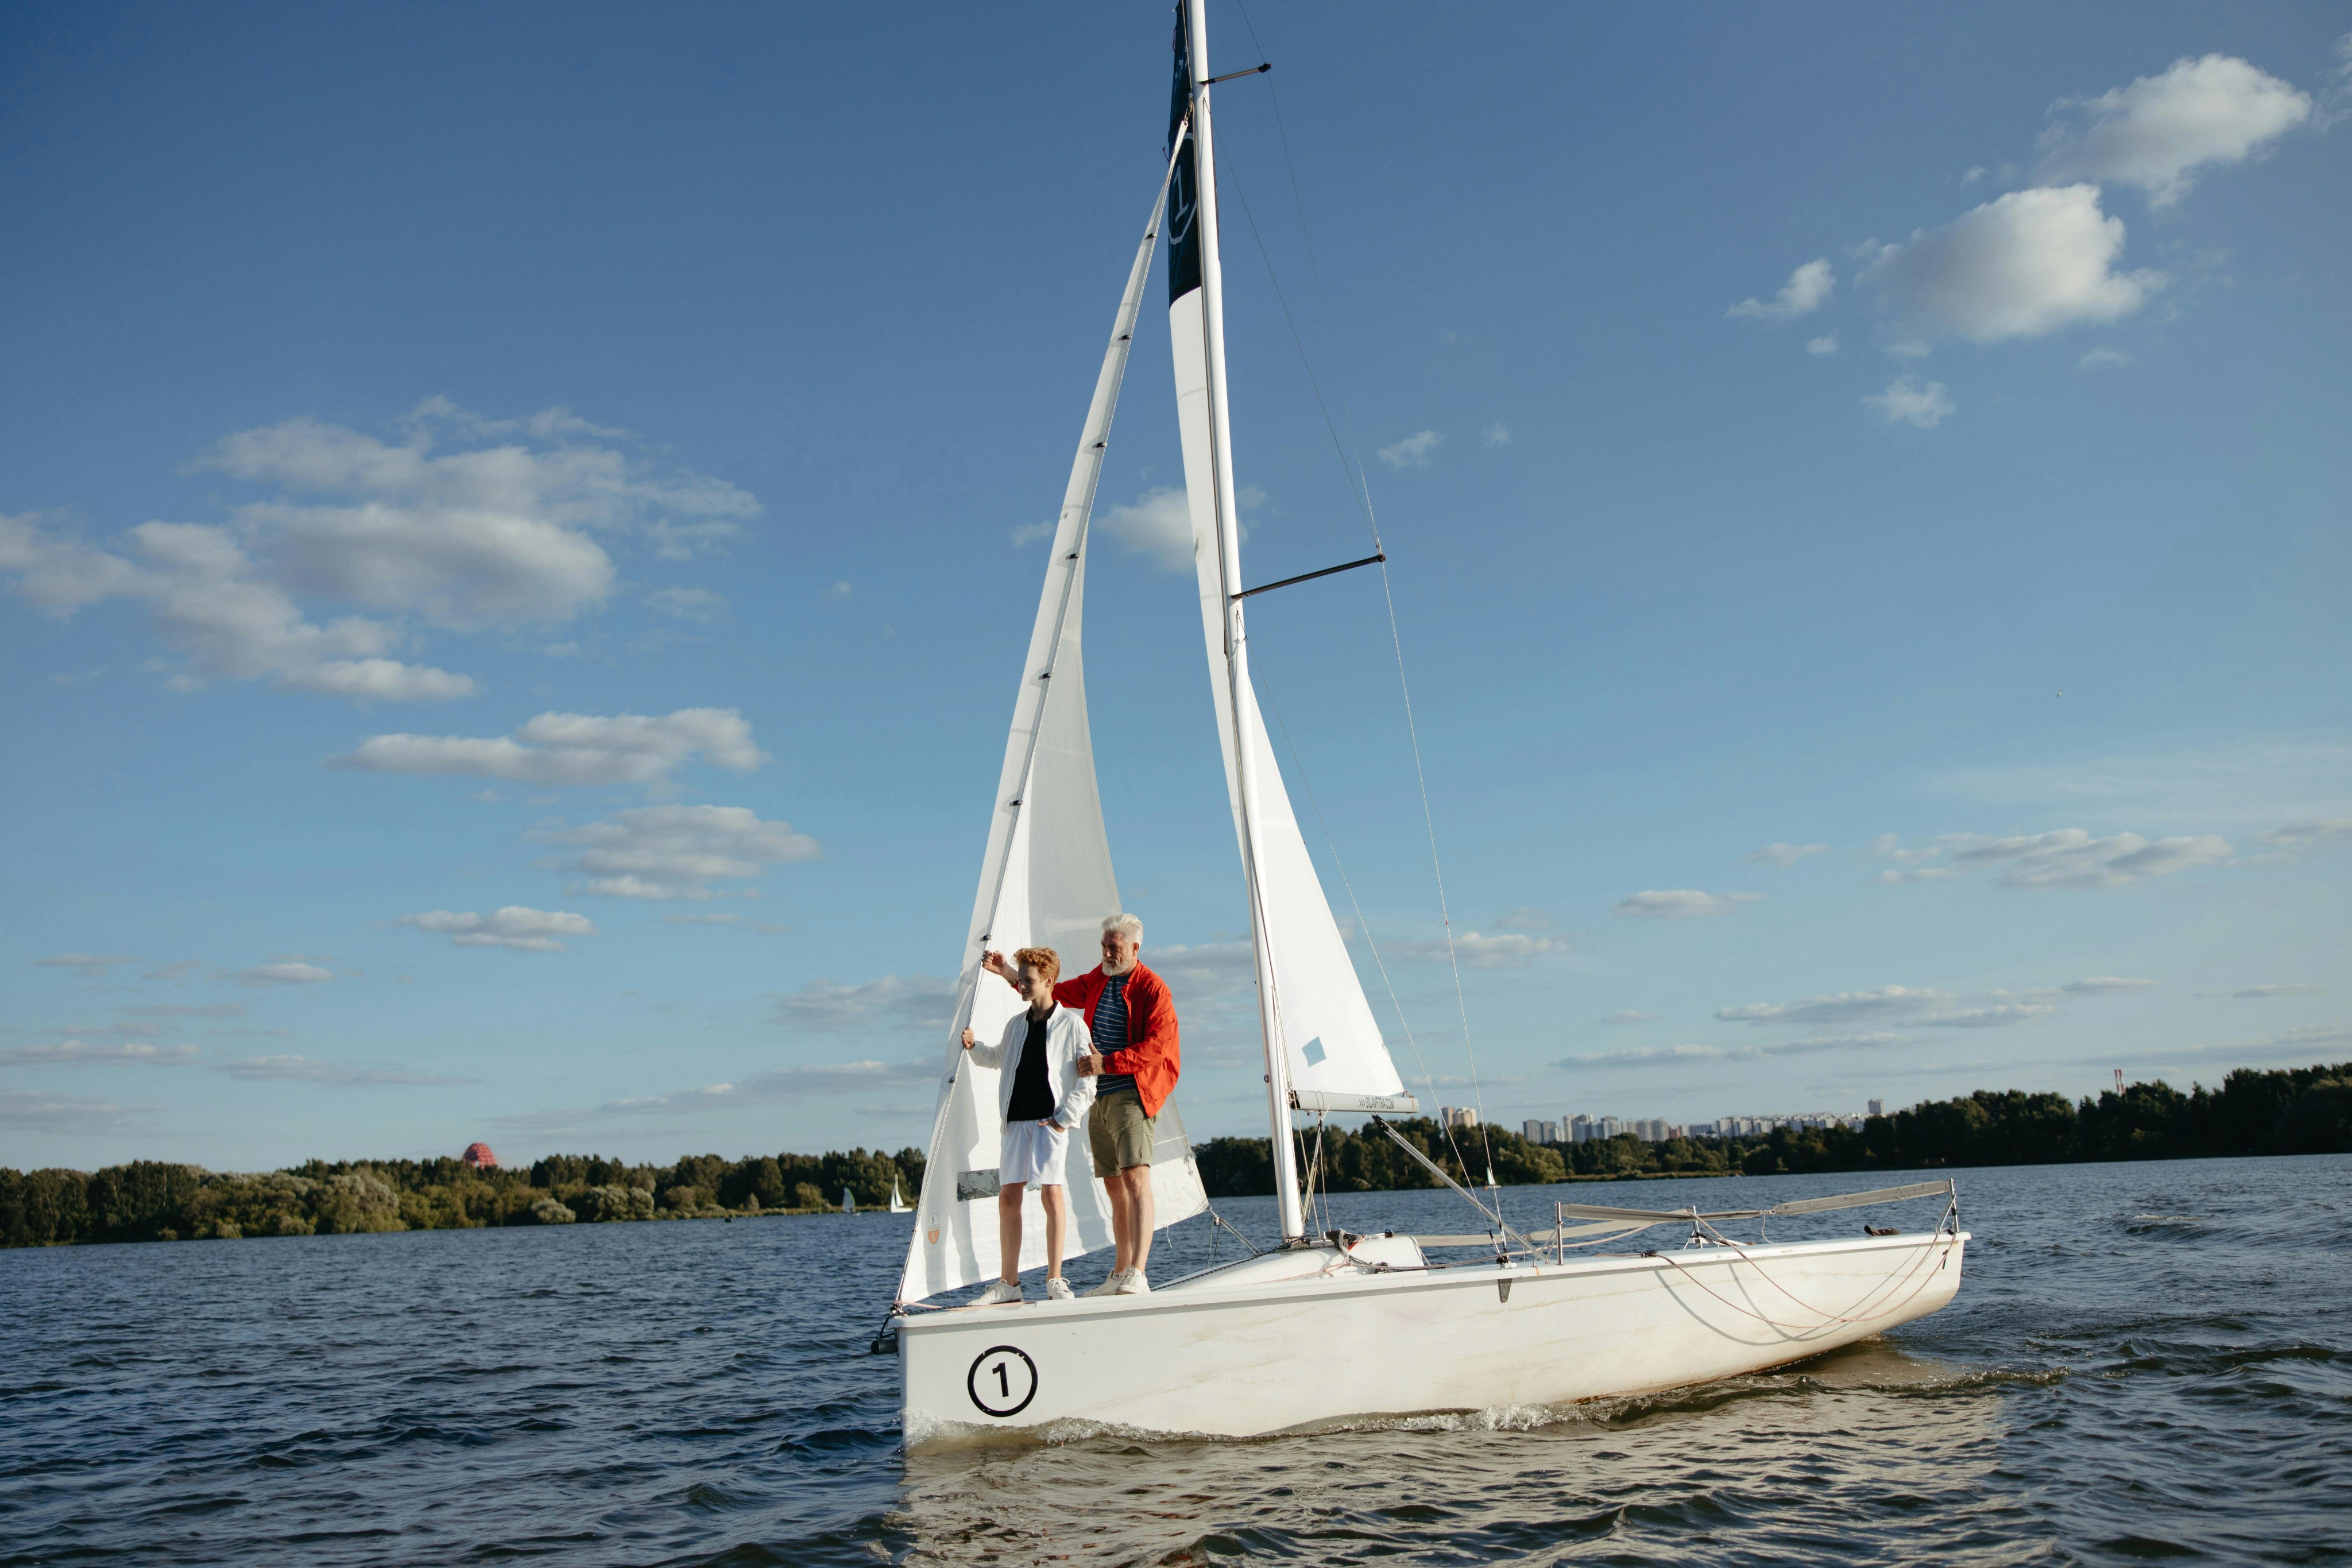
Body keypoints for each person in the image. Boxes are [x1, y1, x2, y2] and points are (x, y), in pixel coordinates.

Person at [984, 912, 1177, 1295]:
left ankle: (1138, 1271)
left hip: (1133, 1093)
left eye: (1115, 947)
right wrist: (1008, 971)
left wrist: (1110, 1062)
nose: (1107, 952)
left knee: (1136, 1178)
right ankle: (1121, 1271)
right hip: (1099, 1096)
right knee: (1113, 1184)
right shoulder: (1098, 979)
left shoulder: (1153, 989)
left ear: (1135, 948)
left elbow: (1160, 1046)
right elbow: (1054, 992)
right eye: (1104, 945)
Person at [961, 945, 1096, 1306]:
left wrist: (1063, 1120)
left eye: (1028, 981)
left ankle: (1055, 1279)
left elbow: (1088, 1081)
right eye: (1019, 980)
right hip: (1015, 1120)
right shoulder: (1016, 1024)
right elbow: (997, 1059)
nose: (1021, 986)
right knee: (1009, 1199)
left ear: (1048, 981)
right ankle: (1009, 1283)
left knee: (1052, 1196)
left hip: (1049, 1122)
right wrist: (974, 1047)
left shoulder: (1072, 1024)